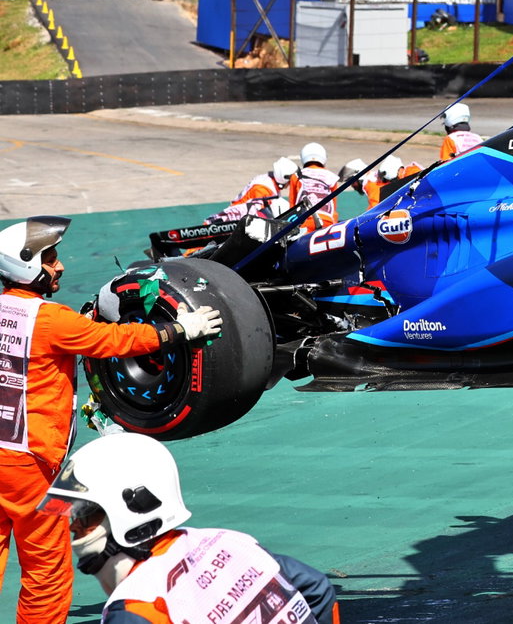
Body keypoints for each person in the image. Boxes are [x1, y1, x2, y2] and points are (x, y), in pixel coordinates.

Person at [0, 216, 222, 624]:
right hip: (30, 463)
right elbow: (112, 342)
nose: (60, 266)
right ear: (27, 264)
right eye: (50, 258)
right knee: (46, 570)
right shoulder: (49, 320)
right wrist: (177, 331)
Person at [39, 432, 341, 624]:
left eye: (85, 516)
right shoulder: (230, 543)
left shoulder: (138, 607)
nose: (74, 529)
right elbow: (317, 589)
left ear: (129, 510)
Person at [208, 156, 297, 224]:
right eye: (290, 181)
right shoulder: (262, 189)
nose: (291, 183)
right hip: (236, 219)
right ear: (283, 178)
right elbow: (259, 213)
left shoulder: (269, 181)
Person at [287, 143, 341, 231]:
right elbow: (333, 207)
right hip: (327, 221)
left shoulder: (296, 176)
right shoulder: (332, 177)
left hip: (304, 221)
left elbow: (292, 206)